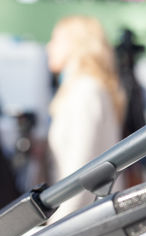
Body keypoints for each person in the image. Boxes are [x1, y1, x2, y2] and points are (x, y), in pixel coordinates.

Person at [47, 16, 126, 223]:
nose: (49, 47)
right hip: (87, 219)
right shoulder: (84, 88)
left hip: (84, 223)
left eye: (55, 40)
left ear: (76, 45)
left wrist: (54, 230)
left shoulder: (85, 90)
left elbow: (80, 174)